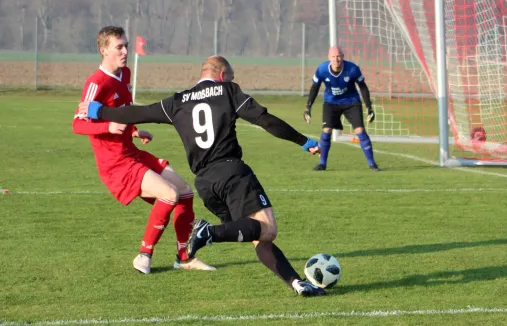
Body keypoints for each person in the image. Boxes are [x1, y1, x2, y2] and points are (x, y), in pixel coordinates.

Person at [76, 55, 327, 297]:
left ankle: (297, 284)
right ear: (221, 76)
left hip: (206, 185)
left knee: (257, 235)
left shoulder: (178, 101)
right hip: (231, 173)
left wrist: (101, 112)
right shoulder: (228, 91)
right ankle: (209, 232)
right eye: (230, 77)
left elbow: (138, 112)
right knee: (269, 229)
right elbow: (265, 120)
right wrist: (303, 140)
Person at [72, 26, 215, 274]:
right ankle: (144, 256)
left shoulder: (125, 74)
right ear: (104, 50)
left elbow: (125, 112)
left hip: (132, 153)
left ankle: (184, 257)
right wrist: (109, 125)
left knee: (184, 192)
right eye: (119, 47)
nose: (125, 51)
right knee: (169, 194)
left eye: (126, 45)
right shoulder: (96, 82)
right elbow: (77, 124)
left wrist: (134, 130)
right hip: (116, 164)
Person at [303, 45, 380, 171]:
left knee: (360, 130)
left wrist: (369, 107)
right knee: (326, 130)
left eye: (338, 56)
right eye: (333, 57)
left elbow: (363, 87)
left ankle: (372, 164)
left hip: (351, 102)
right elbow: (315, 88)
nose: (336, 59)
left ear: (343, 57)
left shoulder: (353, 69)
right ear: (329, 58)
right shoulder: (322, 69)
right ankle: (322, 164)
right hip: (331, 102)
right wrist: (308, 107)